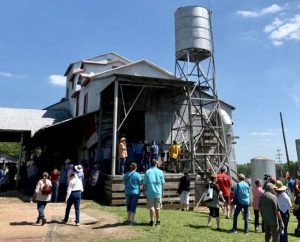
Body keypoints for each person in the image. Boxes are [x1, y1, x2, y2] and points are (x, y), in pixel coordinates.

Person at [143, 159, 165, 226]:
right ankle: (158, 221)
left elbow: (144, 183)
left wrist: (144, 191)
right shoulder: (160, 172)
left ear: (150, 164)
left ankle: (152, 221)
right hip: (158, 192)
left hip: (150, 192)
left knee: (151, 207)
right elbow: (163, 183)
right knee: (157, 207)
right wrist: (162, 192)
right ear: (156, 164)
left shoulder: (148, 171)